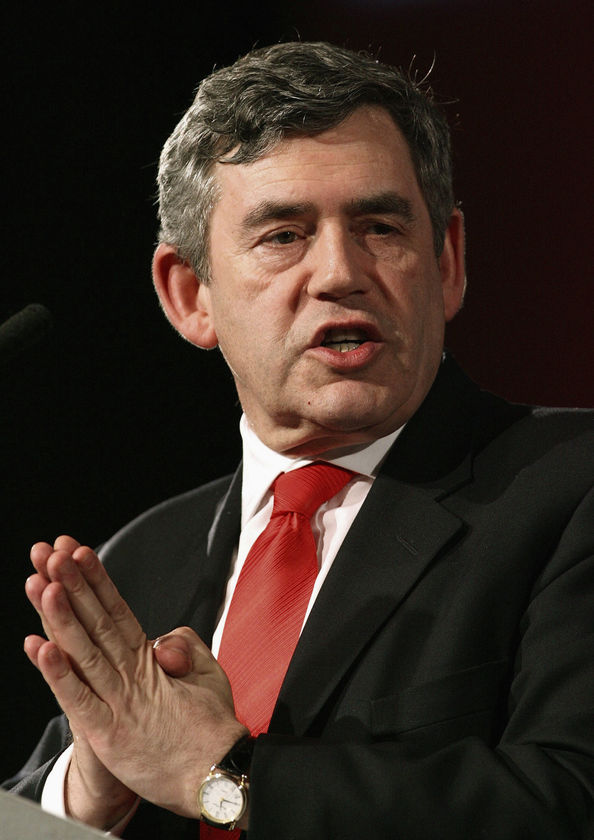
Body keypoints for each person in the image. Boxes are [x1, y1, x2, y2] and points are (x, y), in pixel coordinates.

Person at [5, 41, 594, 839]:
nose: (340, 272)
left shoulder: (569, 491)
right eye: (283, 235)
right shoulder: (139, 562)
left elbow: (571, 802)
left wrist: (225, 777)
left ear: (448, 262)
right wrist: (90, 786)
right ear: (190, 296)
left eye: (380, 226)